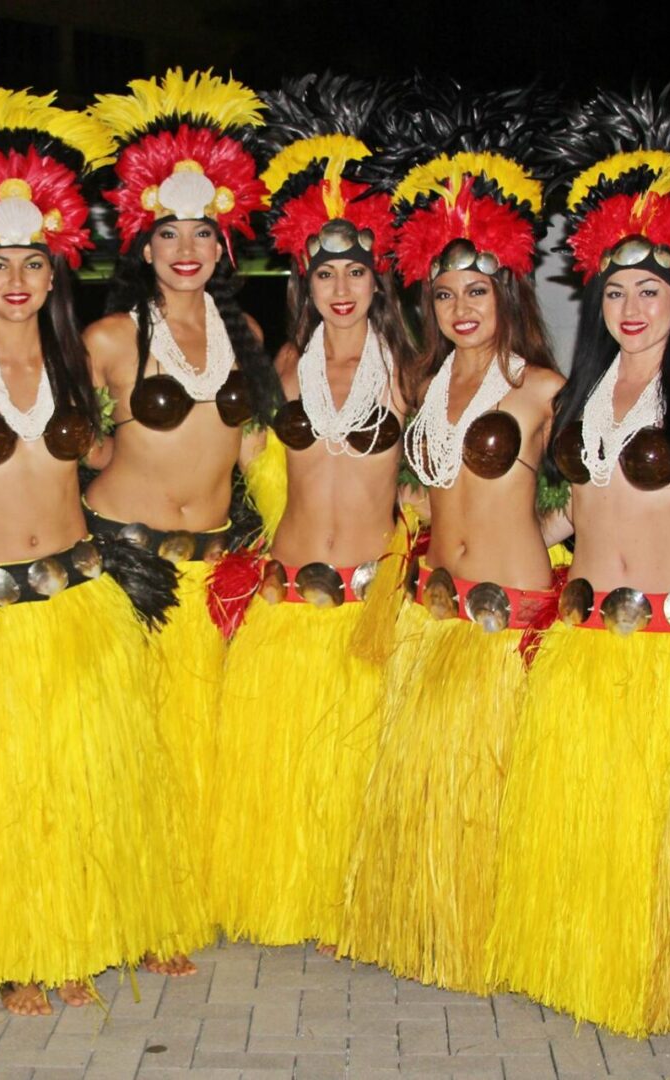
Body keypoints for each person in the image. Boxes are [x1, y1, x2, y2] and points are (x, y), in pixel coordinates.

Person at [0, 89, 206, 1015]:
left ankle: (79, 937)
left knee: (88, 781)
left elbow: (105, 454)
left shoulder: (75, 365)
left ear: (53, 274)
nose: (16, 278)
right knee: (5, 791)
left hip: (81, 593)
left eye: (33, 262)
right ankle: (18, 951)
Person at [484, 83, 670, 1037]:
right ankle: (612, 969)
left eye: (651, 291)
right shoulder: (583, 393)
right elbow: (568, 515)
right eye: (616, 291)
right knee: (594, 816)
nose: (631, 306)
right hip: (587, 634)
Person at [339, 82, 564, 993]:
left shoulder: (545, 387)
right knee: (434, 786)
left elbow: (597, 484)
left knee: (505, 789)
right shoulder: (422, 387)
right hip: (436, 615)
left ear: (506, 290)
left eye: (478, 289)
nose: (460, 306)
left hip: (511, 616)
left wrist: (548, 531)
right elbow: (426, 499)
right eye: (442, 293)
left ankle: (507, 942)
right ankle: (440, 927)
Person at [206, 73, 412, 949]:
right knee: (282, 769)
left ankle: (353, 906)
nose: (340, 287)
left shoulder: (412, 370)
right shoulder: (281, 370)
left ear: (377, 280)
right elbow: (230, 463)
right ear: (306, 279)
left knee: (354, 765)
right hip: (285, 599)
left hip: (369, 602)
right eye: (324, 272)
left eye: (355, 272)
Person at [83, 69, 283, 958]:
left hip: (209, 566)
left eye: (203, 231)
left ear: (226, 240)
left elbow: (253, 458)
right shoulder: (110, 338)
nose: (187, 247)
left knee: (188, 745)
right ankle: (113, 908)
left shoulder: (244, 340)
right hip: (122, 562)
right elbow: (66, 448)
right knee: (122, 748)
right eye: (170, 232)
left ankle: (170, 904)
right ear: (144, 242)